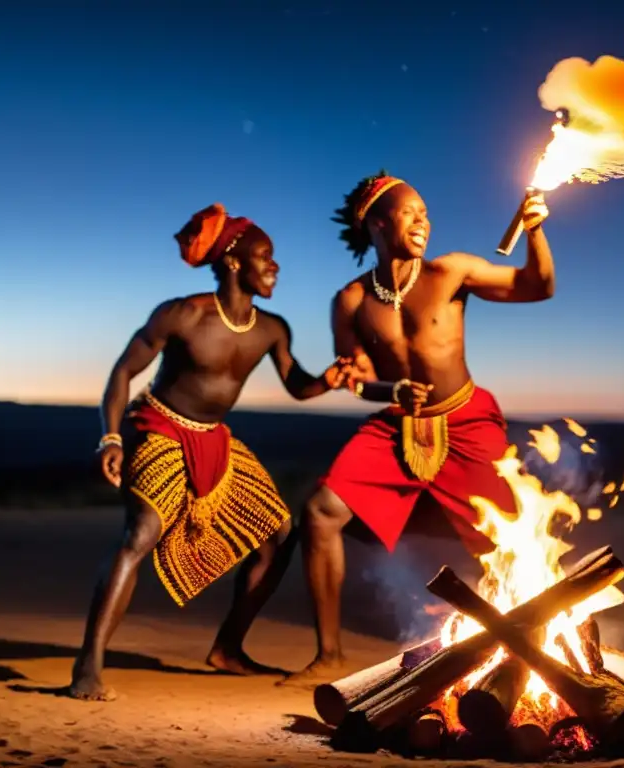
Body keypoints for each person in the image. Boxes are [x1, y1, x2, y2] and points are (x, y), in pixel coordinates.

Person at [279, 172, 555, 684]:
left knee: (512, 534)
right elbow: (357, 380)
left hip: (466, 419)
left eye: (426, 212)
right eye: (411, 212)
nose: (424, 220)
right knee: (319, 513)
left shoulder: (451, 272)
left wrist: (536, 231)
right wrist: (391, 393)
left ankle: (540, 649)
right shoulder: (352, 301)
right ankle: (328, 655)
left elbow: (538, 287)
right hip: (398, 426)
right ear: (378, 223)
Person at [68, 203, 352, 701]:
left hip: (214, 437)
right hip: (157, 426)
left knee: (279, 534)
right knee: (142, 531)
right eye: (266, 257)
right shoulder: (183, 313)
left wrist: (330, 379)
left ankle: (228, 648)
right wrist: (110, 437)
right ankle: (87, 667)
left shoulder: (273, 328)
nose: (276, 266)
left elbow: (298, 387)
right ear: (235, 262)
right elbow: (121, 372)